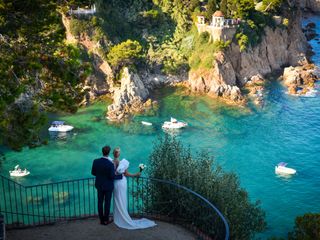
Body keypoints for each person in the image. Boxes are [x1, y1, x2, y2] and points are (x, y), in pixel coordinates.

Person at [112, 147, 157, 229]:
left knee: (117, 200)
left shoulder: (111, 162)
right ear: (118, 154)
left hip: (115, 183)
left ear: (113, 153)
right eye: (118, 152)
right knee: (122, 200)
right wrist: (136, 174)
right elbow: (126, 174)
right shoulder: (122, 163)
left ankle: (117, 218)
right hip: (121, 183)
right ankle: (123, 218)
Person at [91, 145, 122, 225]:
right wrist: (120, 176)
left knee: (100, 202)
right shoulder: (110, 164)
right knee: (107, 203)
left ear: (102, 152)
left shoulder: (95, 161)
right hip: (108, 186)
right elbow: (112, 176)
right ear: (108, 153)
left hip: (99, 185)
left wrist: (100, 176)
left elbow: (93, 173)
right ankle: (106, 220)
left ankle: (101, 220)